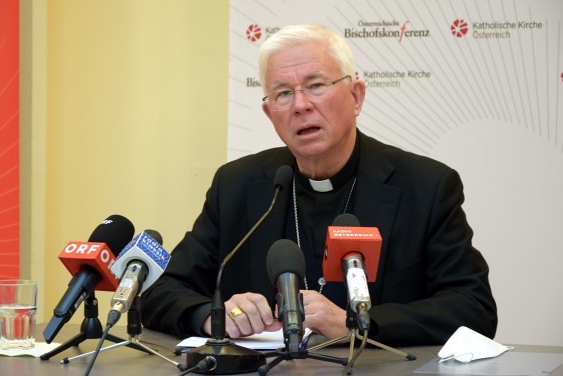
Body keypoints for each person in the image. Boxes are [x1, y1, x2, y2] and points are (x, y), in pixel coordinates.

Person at [140, 24, 497, 346]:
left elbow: (473, 308)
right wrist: (213, 316)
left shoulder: (425, 186)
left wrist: (357, 325)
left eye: (315, 86)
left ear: (356, 96)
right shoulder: (235, 185)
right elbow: (161, 290)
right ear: (269, 113)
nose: (300, 105)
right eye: (283, 93)